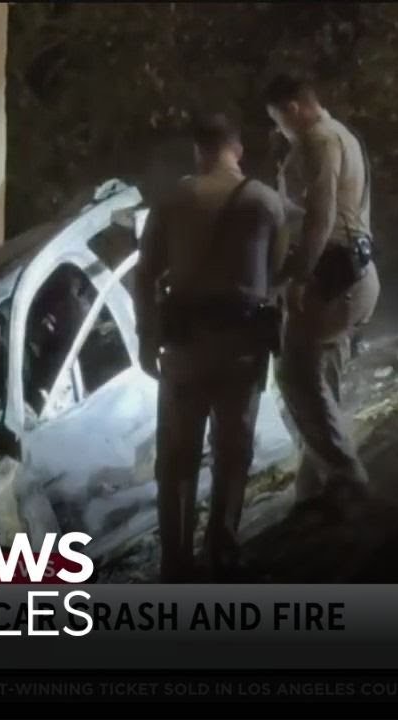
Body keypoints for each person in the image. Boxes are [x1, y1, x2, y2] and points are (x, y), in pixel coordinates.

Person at [134, 113, 287, 581]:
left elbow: (144, 275)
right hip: (242, 347)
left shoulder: (174, 198)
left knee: (177, 458)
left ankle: (176, 561)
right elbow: (277, 272)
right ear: (236, 150)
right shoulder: (266, 201)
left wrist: (146, 338)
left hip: (185, 349)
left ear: (199, 152)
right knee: (232, 450)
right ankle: (223, 547)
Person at [263, 73, 380, 518]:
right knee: (316, 376)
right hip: (353, 270)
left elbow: (322, 216)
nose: (278, 129)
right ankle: (314, 485)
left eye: (277, 119)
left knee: (295, 374)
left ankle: (347, 477)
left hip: (334, 275)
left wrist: (298, 276)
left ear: (292, 107)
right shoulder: (340, 134)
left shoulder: (318, 140)